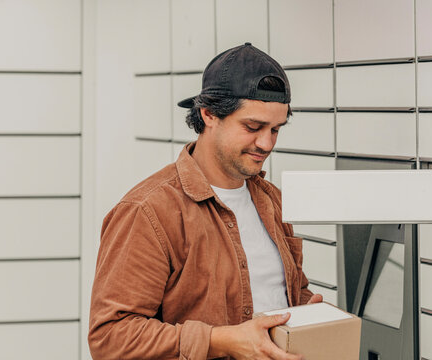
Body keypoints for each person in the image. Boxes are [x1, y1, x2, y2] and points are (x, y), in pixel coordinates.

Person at [88, 42, 322, 360]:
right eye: (252, 127)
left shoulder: (272, 201)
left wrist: (308, 315)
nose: (266, 143)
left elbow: (284, 291)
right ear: (209, 114)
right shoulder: (148, 211)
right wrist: (220, 340)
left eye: (276, 129)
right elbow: (110, 337)